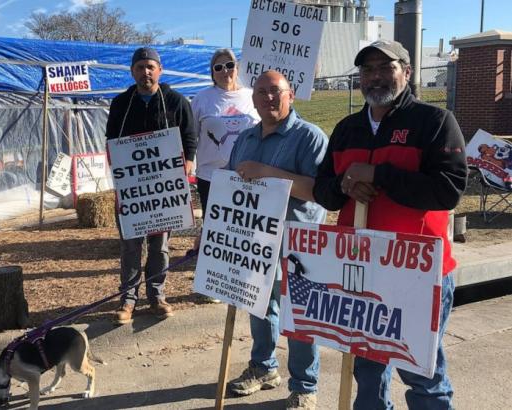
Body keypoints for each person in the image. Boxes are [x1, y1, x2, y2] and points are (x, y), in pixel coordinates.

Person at [312, 39, 467, 409]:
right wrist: (344, 182)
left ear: (407, 73)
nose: (375, 77)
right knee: (366, 367)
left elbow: (448, 192)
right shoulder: (347, 128)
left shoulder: (434, 122)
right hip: (361, 269)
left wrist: (380, 175)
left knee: (420, 371)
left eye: (386, 68)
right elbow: (325, 191)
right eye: (367, 70)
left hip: (418, 270)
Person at [223, 70, 328, 410]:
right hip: (255, 240)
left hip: (299, 241)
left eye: (276, 91)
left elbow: (318, 191)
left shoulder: (309, 137)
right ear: (252, 99)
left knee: (299, 317)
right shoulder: (245, 139)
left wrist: (266, 173)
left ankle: (304, 386)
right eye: (262, 92)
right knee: (258, 305)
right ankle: (264, 368)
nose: (269, 97)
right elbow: (230, 184)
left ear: (291, 95)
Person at [105, 47, 197, 324]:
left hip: (164, 189)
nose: (145, 72)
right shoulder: (121, 103)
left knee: (159, 247)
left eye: (150, 67)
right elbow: (112, 140)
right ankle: (128, 300)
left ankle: (157, 296)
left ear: (160, 70)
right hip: (133, 189)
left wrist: (188, 162)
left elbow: (189, 136)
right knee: (130, 245)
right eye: (140, 67)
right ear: (132, 71)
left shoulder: (176, 101)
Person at [191, 48, 260, 213]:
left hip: (248, 176)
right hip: (210, 176)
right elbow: (191, 135)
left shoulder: (253, 96)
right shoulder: (201, 98)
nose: (225, 70)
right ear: (212, 73)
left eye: (229, 65)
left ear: (237, 68)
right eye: (218, 67)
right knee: (214, 226)